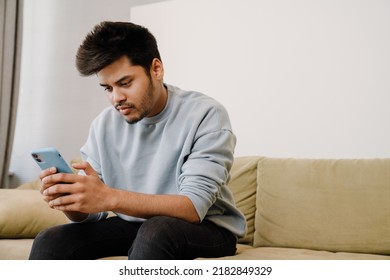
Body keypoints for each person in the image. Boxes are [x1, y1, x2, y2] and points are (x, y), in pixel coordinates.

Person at [29, 21, 246, 260]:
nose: (116, 98)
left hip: (208, 229)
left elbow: (193, 207)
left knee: (157, 232)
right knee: (51, 240)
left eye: (125, 83)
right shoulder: (104, 125)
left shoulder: (206, 114)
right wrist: (73, 203)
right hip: (137, 226)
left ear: (156, 69)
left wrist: (109, 196)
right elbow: (94, 214)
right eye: (107, 88)